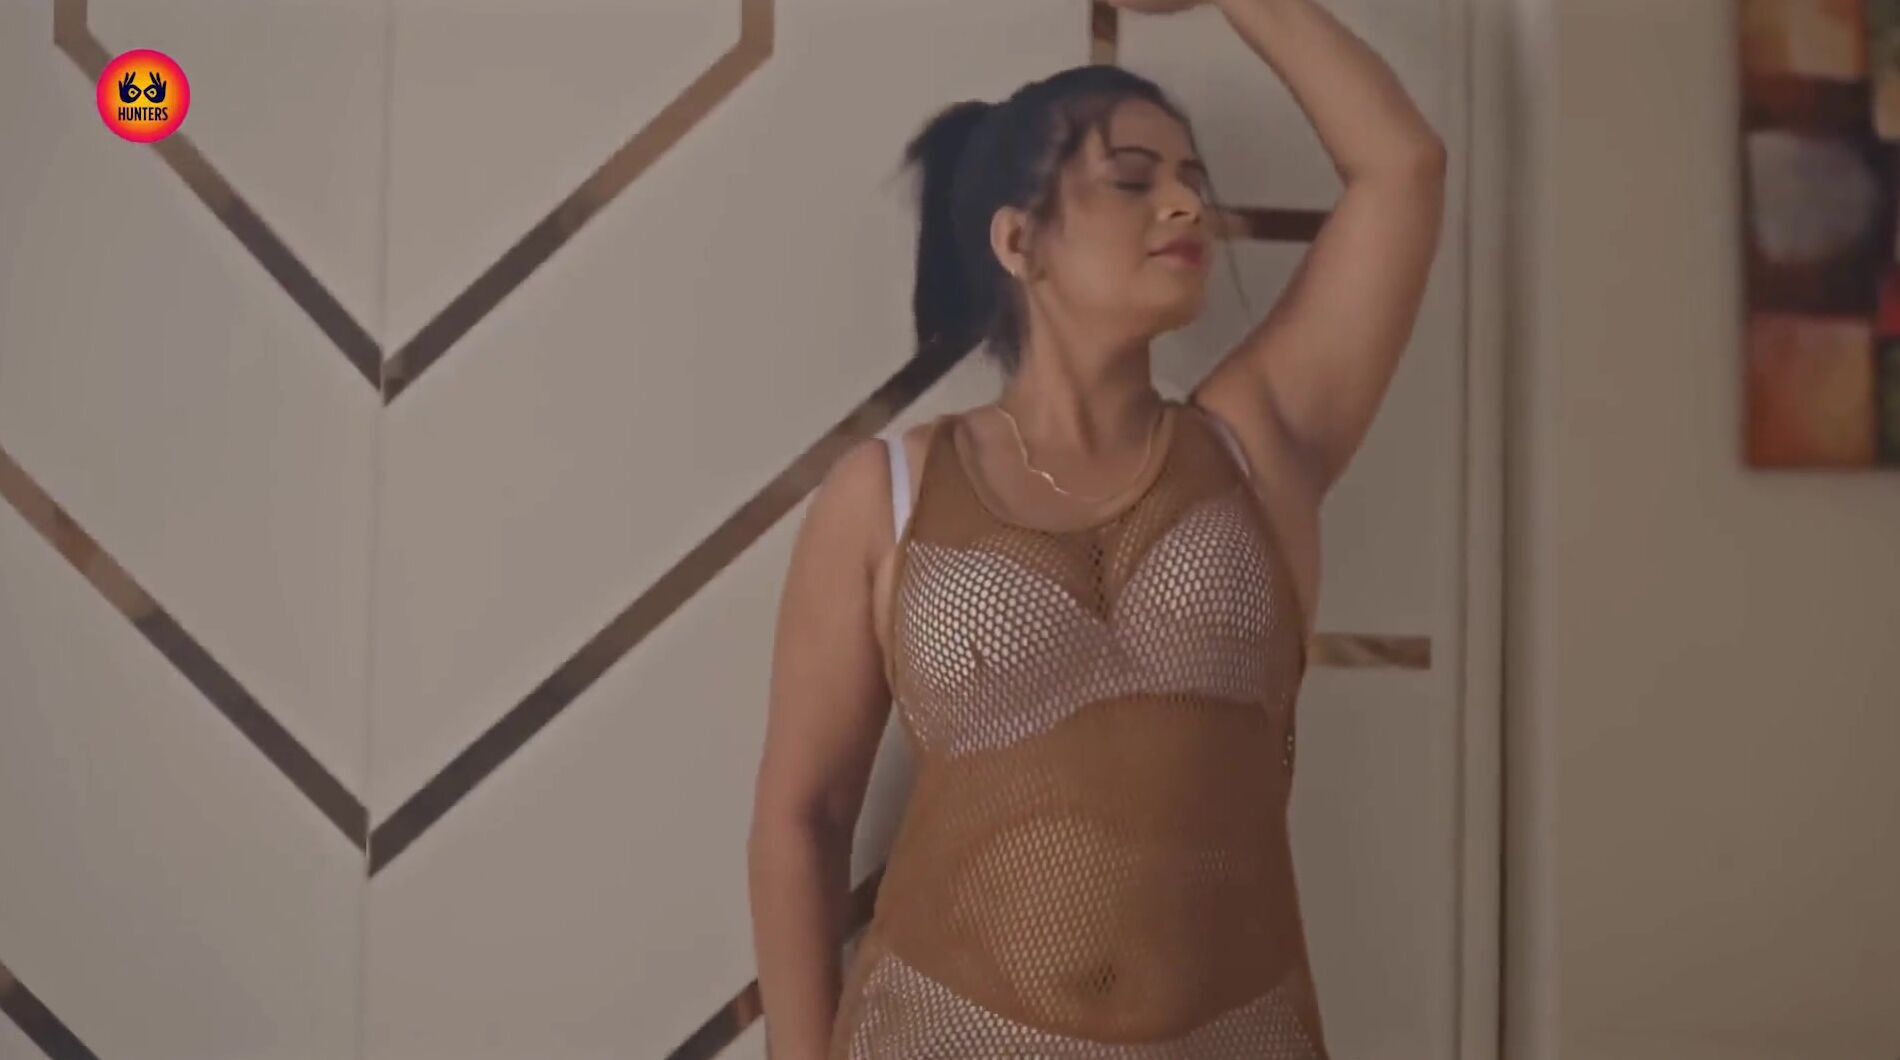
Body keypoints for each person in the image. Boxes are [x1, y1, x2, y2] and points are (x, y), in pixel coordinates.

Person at [747, 0, 1444, 1055]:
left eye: (1193, 179)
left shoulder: (1257, 446)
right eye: (1132, 179)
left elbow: (1403, 166)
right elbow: (801, 820)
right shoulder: (886, 492)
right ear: (1019, 239)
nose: (1185, 203)